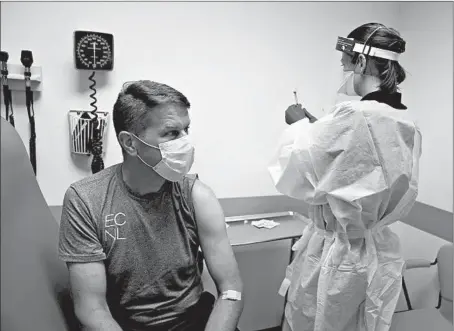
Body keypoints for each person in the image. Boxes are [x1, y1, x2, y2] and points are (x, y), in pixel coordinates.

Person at [268, 23, 422, 331]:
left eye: (346, 61)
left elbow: (300, 172)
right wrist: (317, 125)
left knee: (319, 320)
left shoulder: (355, 115)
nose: (343, 67)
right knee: (362, 322)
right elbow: (357, 166)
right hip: (377, 250)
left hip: (339, 254)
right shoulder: (403, 119)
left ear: (361, 62)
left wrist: (298, 125)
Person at [58, 81, 244, 331]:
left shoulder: (197, 196)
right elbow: (91, 309)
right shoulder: (86, 201)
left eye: (186, 130)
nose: (185, 143)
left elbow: (231, 289)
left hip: (192, 320)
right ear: (130, 143)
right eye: (171, 133)